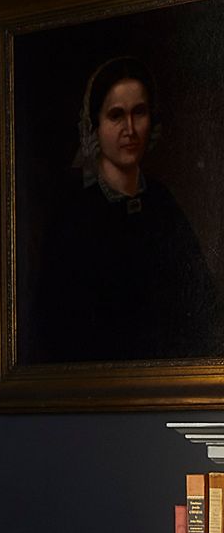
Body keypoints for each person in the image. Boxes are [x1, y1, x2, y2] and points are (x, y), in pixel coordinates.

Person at [29, 55, 222, 363]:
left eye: (139, 113)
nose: (130, 129)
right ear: (94, 125)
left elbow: (201, 306)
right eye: (116, 116)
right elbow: (58, 324)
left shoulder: (162, 202)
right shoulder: (73, 214)